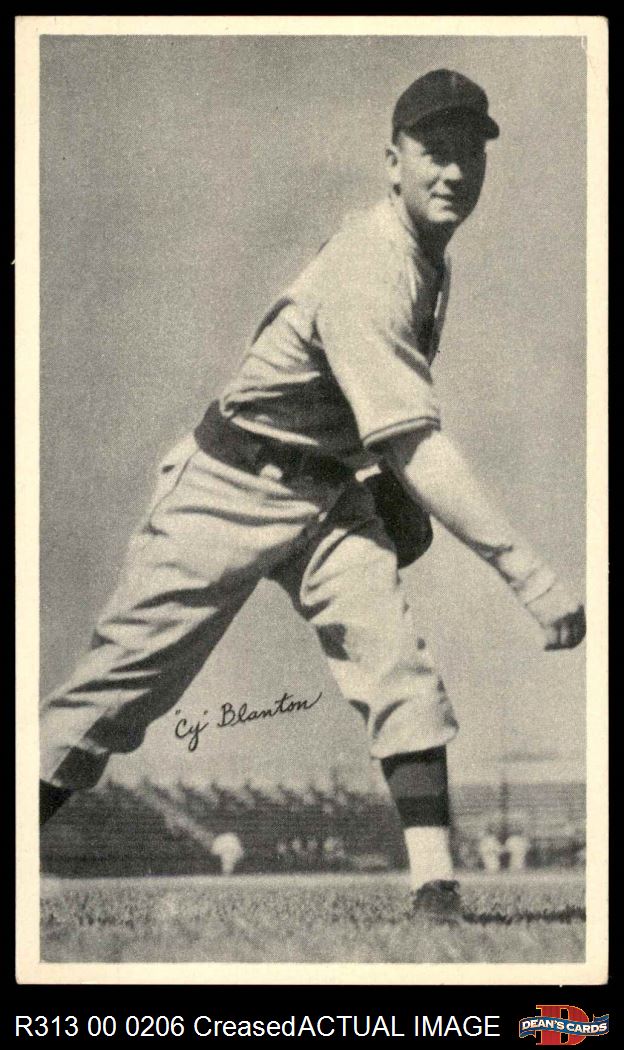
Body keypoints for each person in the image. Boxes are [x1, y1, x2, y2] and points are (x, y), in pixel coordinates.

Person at [39, 69, 585, 922]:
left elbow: (370, 421)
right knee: (114, 694)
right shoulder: (372, 263)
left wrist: (376, 482)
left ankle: (437, 895)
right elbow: (413, 441)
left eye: (470, 153)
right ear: (392, 162)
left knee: (399, 667)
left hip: (328, 494)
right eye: (434, 151)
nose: (454, 171)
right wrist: (529, 574)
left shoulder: (427, 256)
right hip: (228, 481)